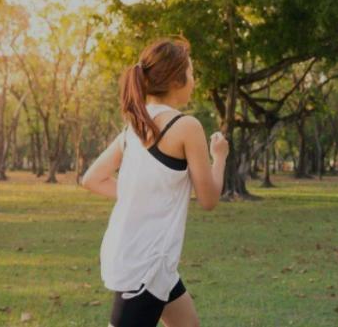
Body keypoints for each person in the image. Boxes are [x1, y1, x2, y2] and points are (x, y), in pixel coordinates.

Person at [81, 36, 229, 327]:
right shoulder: (186, 126)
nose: (194, 81)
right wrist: (219, 156)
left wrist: (141, 195)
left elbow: (92, 179)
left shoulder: (135, 126)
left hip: (148, 259)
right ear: (176, 80)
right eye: (191, 73)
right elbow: (209, 199)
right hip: (145, 265)